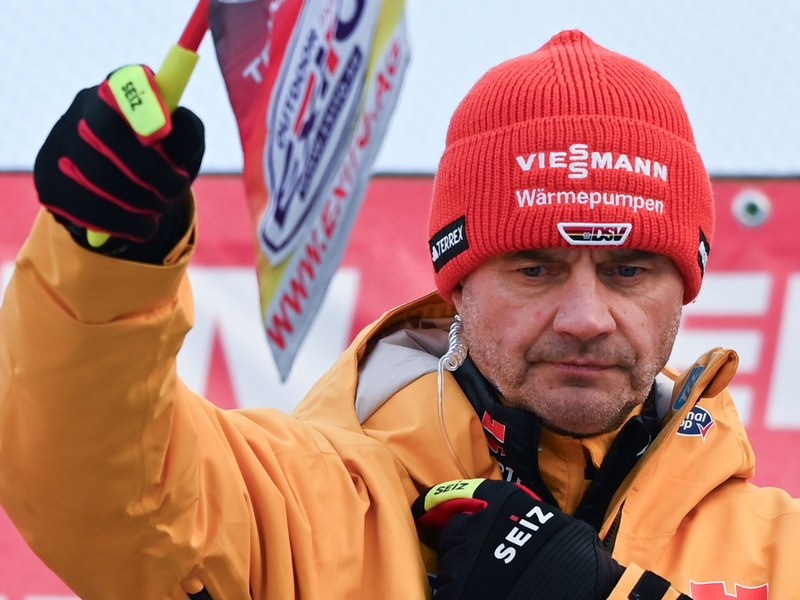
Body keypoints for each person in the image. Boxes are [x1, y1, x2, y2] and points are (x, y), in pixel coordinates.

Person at [0, 29, 797, 600]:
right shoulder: (307, 505)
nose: (586, 315)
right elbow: (100, 483)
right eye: (535, 268)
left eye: (628, 269)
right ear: (454, 283)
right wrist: (108, 260)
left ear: (686, 284)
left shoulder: (781, 549)